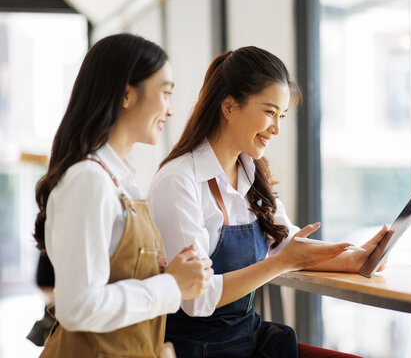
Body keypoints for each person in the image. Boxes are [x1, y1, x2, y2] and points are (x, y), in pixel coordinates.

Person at [148, 46, 391, 358]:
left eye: (282, 116)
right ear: (229, 106)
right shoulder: (179, 181)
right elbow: (197, 299)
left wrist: (353, 256)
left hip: (245, 343)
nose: (276, 129)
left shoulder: (251, 174)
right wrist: (282, 262)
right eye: (269, 112)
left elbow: (284, 242)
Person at [33, 33, 214, 358]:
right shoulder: (90, 180)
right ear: (127, 95)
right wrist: (172, 284)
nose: (170, 111)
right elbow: (79, 308)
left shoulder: (116, 177)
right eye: (166, 92)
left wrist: (153, 271)